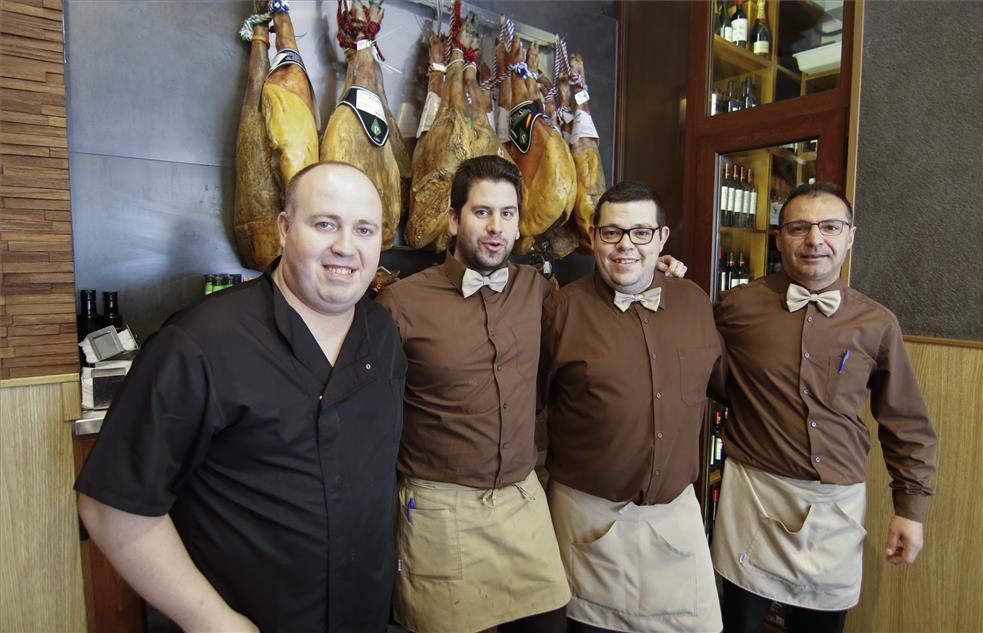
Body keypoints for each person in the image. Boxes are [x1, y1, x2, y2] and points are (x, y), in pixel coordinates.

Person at [74, 162, 407, 633]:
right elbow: (112, 506)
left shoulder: (382, 334)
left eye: (364, 229)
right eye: (325, 224)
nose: (345, 248)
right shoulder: (200, 341)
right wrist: (214, 623)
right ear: (285, 229)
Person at [376, 157, 685, 633]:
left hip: (523, 498)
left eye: (508, 213)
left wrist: (650, 270)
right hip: (441, 505)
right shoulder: (401, 304)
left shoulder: (538, 289)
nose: (496, 227)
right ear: (454, 218)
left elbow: (602, 306)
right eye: (481, 213)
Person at [711, 182, 938, 633]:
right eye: (799, 227)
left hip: (836, 506)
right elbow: (698, 371)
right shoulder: (736, 307)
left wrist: (910, 510)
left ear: (850, 236)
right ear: (780, 238)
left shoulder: (876, 323)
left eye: (830, 227)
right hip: (753, 497)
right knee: (739, 626)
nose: (815, 239)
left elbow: (906, 422)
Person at [540, 181, 722, 633]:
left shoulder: (695, 302)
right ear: (593, 236)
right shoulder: (561, 309)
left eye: (641, 233)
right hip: (588, 523)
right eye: (612, 233)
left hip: (675, 520)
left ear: (662, 238)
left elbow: (723, 386)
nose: (626, 246)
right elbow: (531, 408)